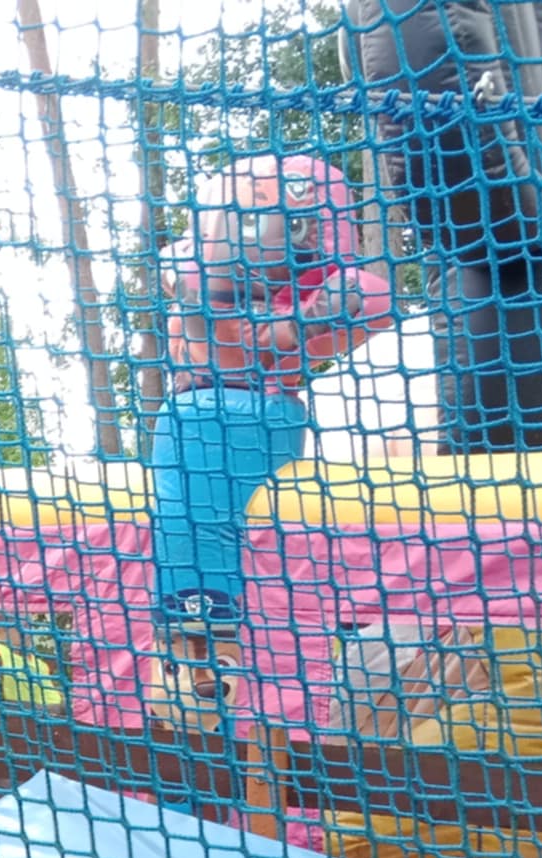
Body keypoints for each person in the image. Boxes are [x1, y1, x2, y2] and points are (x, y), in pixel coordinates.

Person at [151, 155, 393, 695]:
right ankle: (202, 640)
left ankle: (210, 638)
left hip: (248, 414)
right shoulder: (200, 275)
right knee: (207, 534)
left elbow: (372, 298)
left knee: (232, 539)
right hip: (219, 412)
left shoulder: (298, 295)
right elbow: (187, 279)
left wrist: (290, 328)